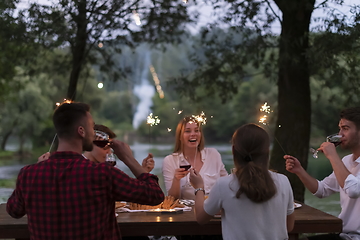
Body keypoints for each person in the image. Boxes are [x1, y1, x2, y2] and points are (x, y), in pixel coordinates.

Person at [7, 102, 164, 240]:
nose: (93, 133)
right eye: (91, 127)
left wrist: (36, 169)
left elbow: (14, 210)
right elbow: (155, 195)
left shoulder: (28, 174)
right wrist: (129, 159)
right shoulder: (102, 174)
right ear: (81, 131)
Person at [190, 123, 295, 240]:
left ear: (234, 150)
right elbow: (289, 226)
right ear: (267, 152)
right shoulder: (283, 181)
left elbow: (201, 218)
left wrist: (199, 187)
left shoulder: (224, 185)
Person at [285, 106, 360, 240]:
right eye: (340, 128)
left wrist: (332, 156)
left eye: (346, 128)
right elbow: (322, 190)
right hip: (343, 235)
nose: (340, 134)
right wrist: (299, 170)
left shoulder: (340, 161)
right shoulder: (347, 160)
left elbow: (354, 190)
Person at [162, 116, 228, 200]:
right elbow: (172, 199)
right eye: (187, 131)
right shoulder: (170, 161)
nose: (193, 134)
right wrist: (176, 180)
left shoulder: (213, 154)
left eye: (197, 130)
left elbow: (226, 184)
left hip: (215, 209)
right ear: (180, 136)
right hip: (188, 211)